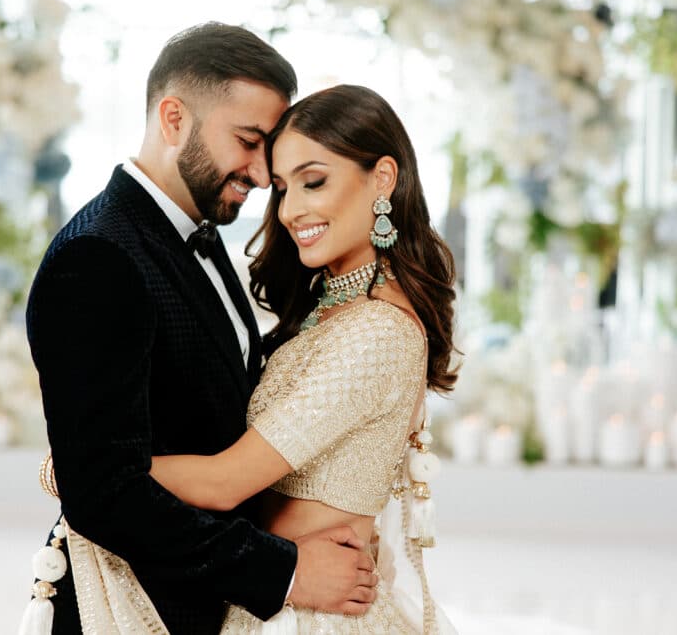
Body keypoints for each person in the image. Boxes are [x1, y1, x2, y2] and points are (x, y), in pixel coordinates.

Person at [22, 24, 379, 635]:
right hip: (131, 607)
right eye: (248, 141)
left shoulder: (202, 236)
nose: (265, 174)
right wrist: (286, 571)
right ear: (173, 119)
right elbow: (105, 494)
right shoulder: (99, 257)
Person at [149, 84, 460, 633]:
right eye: (283, 189)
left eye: (314, 181)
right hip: (287, 593)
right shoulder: (335, 307)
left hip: (312, 615)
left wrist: (85, 472)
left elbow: (227, 483)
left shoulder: (378, 330)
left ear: (382, 179)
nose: (292, 211)